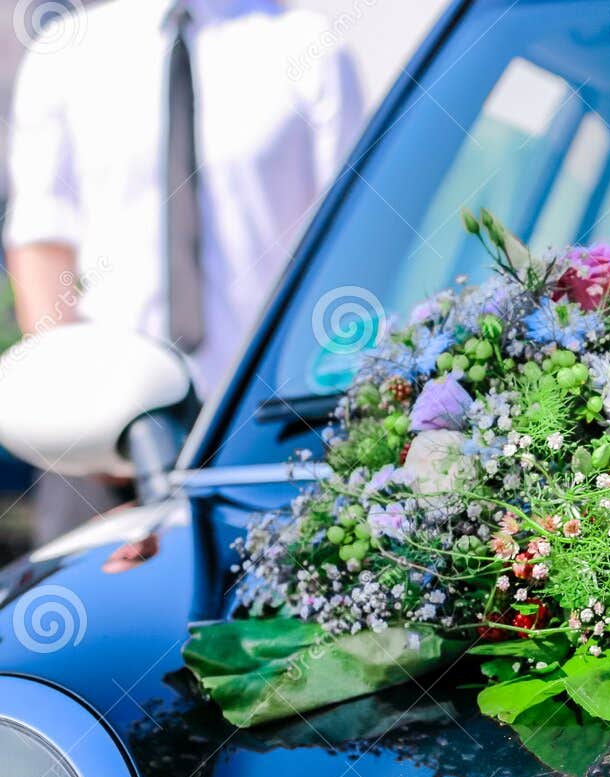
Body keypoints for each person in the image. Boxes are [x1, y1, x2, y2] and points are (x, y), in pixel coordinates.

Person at [4, 0, 363, 543]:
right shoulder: (65, 52)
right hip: (106, 448)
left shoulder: (308, 44)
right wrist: (73, 411)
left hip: (267, 435)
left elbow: (351, 238)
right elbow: (41, 240)